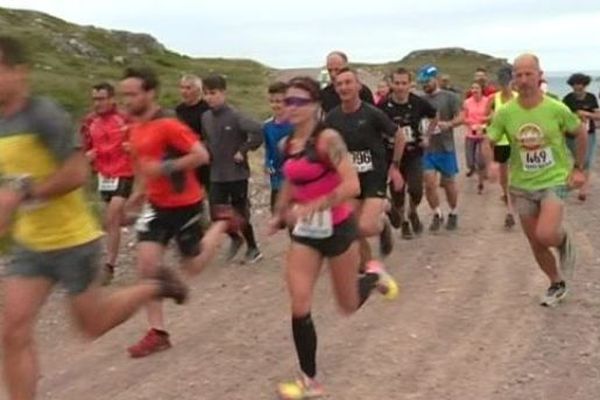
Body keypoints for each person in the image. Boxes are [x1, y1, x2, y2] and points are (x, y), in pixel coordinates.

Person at [0, 36, 187, 400]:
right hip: (31, 243)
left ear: (19, 73)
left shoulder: (44, 115)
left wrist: (22, 194)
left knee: (92, 325)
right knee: (12, 332)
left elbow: (75, 174)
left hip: (72, 241)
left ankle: (155, 286)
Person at [270, 77, 395, 399]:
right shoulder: (287, 145)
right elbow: (290, 179)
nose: (292, 108)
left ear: (314, 106)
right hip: (305, 235)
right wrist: (280, 211)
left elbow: (352, 186)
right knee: (299, 303)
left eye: (299, 101)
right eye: (288, 101)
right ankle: (309, 381)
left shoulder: (328, 140)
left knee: (348, 305)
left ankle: (372, 274)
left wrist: (313, 206)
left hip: (338, 229)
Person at [120, 67, 242, 357]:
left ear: (150, 93)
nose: (127, 100)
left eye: (132, 94)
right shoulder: (135, 128)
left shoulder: (169, 125)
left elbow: (202, 155)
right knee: (146, 266)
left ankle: (223, 223)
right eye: (124, 94)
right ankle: (157, 332)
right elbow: (142, 166)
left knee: (193, 266)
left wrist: (164, 168)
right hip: (156, 205)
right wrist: (137, 196)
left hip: (185, 203)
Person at [484, 54, 587, 307]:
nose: (523, 79)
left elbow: (580, 132)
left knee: (546, 233)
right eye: (518, 75)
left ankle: (563, 240)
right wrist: (492, 163)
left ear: (540, 75)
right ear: (513, 80)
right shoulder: (506, 113)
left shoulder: (555, 108)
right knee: (535, 242)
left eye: (529, 74)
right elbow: (490, 140)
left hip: (554, 179)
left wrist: (578, 168)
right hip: (521, 185)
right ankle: (556, 283)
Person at [324, 67, 401, 290]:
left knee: (366, 227)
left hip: (374, 178)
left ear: (358, 86)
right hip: (350, 181)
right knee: (349, 226)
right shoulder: (333, 117)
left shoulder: (371, 113)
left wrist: (395, 167)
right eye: (339, 84)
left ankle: (383, 220)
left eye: (348, 83)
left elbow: (397, 135)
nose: (344, 88)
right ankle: (371, 268)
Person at [202, 74, 264, 263]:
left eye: (213, 93)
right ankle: (235, 238)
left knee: (240, 212)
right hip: (216, 173)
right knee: (215, 213)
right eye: (206, 93)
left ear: (223, 93)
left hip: (236, 173)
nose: (209, 97)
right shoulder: (205, 117)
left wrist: (243, 150)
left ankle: (253, 248)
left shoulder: (236, 116)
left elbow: (258, 130)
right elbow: (207, 139)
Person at [80, 82, 133, 285]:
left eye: (101, 99)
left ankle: (109, 265)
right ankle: (138, 218)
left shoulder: (125, 119)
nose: (98, 103)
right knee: (116, 219)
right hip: (104, 176)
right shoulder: (89, 121)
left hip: (125, 171)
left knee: (111, 217)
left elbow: (140, 141)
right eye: (95, 99)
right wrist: (88, 156)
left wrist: (132, 147)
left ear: (112, 99)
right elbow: (84, 147)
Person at [379, 67, 438, 239]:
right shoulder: (382, 106)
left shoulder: (418, 102)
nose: (400, 87)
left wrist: (427, 136)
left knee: (416, 190)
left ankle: (412, 212)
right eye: (397, 83)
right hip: (391, 157)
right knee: (397, 194)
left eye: (404, 83)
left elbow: (435, 116)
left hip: (413, 154)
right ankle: (404, 222)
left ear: (410, 84)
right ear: (391, 84)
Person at [417, 64, 463, 231]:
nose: (425, 86)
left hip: (446, 147)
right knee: (429, 183)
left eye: (427, 82)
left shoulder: (450, 97)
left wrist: (449, 124)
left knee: (449, 183)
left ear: (435, 79)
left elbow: (461, 117)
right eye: (422, 83)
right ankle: (437, 214)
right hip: (427, 150)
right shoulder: (420, 100)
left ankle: (453, 211)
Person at [486, 66, 517, 229]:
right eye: (502, 82)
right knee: (505, 179)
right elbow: (485, 117)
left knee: (516, 177)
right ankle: (509, 205)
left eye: (507, 81)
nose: (505, 85)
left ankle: (511, 210)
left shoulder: (519, 98)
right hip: (500, 142)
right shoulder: (493, 99)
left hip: (518, 143)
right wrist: (490, 118)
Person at [562, 72, 600, 201]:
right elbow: (562, 118)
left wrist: (587, 114)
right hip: (571, 135)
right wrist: (575, 115)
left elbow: (598, 116)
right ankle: (573, 179)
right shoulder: (567, 99)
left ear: (585, 85)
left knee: (587, 160)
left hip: (589, 133)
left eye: (580, 87)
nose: (577, 89)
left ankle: (583, 190)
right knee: (578, 160)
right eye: (574, 87)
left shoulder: (591, 98)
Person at [175, 74, 211, 193]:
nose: (184, 91)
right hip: (185, 160)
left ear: (198, 90)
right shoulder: (179, 110)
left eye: (188, 88)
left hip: (206, 160)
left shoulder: (207, 109)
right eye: (182, 88)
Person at [264, 81, 294, 211]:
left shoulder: (295, 124)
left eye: (279, 101)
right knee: (278, 214)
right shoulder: (267, 126)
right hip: (276, 177)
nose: (275, 105)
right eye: (272, 101)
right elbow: (268, 148)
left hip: (294, 177)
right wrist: (267, 163)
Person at [462, 81, 491, 194]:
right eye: (472, 88)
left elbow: (492, 114)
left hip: (483, 134)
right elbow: (463, 118)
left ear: (481, 90)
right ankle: (472, 168)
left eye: (477, 88)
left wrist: (485, 120)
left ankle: (480, 183)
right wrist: (470, 122)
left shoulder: (487, 101)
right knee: (470, 161)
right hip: (471, 133)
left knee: (481, 160)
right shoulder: (467, 102)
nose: (474, 90)